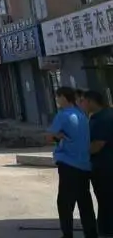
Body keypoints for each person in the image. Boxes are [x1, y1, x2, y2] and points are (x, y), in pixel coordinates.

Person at [49, 86, 97, 238]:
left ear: (63, 97)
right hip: (84, 165)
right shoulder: (82, 115)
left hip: (68, 164)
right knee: (85, 202)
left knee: (64, 203)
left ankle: (67, 234)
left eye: (58, 97)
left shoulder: (63, 115)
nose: (57, 100)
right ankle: (91, 233)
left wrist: (58, 136)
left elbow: (49, 137)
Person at [82, 90, 113, 237]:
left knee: (106, 197)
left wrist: (79, 153)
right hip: (101, 165)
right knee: (104, 197)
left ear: (91, 101)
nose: (82, 104)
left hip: (105, 166)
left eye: (83, 101)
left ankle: (107, 228)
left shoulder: (104, 118)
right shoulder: (97, 117)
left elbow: (98, 144)